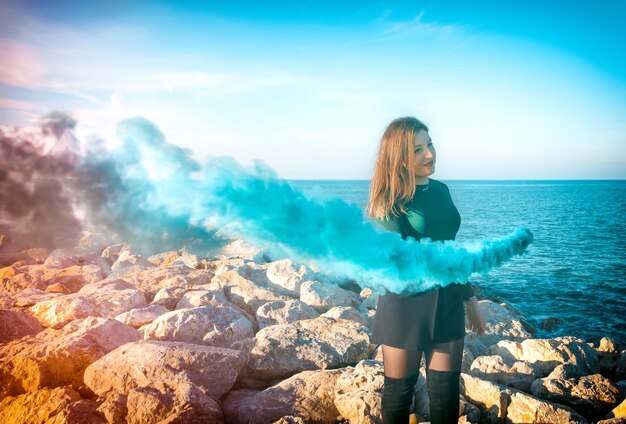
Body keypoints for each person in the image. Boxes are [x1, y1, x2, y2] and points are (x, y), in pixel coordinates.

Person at [367, 116, 486, 424]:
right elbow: (397, 260)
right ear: (399, 157)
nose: (429, 154)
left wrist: (470, 301)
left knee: (446, 396)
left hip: (447, 301)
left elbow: (453, 250)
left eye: (429, 144)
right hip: (405, 304)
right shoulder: (387, 201)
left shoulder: (442, 190)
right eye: (417, 149)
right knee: (398, 395)